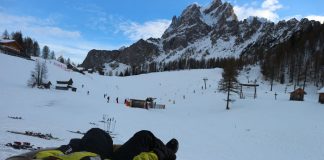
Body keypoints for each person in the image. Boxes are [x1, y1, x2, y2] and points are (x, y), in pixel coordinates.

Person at [33, 128, 178, 160]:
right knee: (145, 137)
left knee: (97, 133)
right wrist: (158, 155)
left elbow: (44, 155)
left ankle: (163, 149)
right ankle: (167, 152)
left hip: (92, 154)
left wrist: (70, 148)